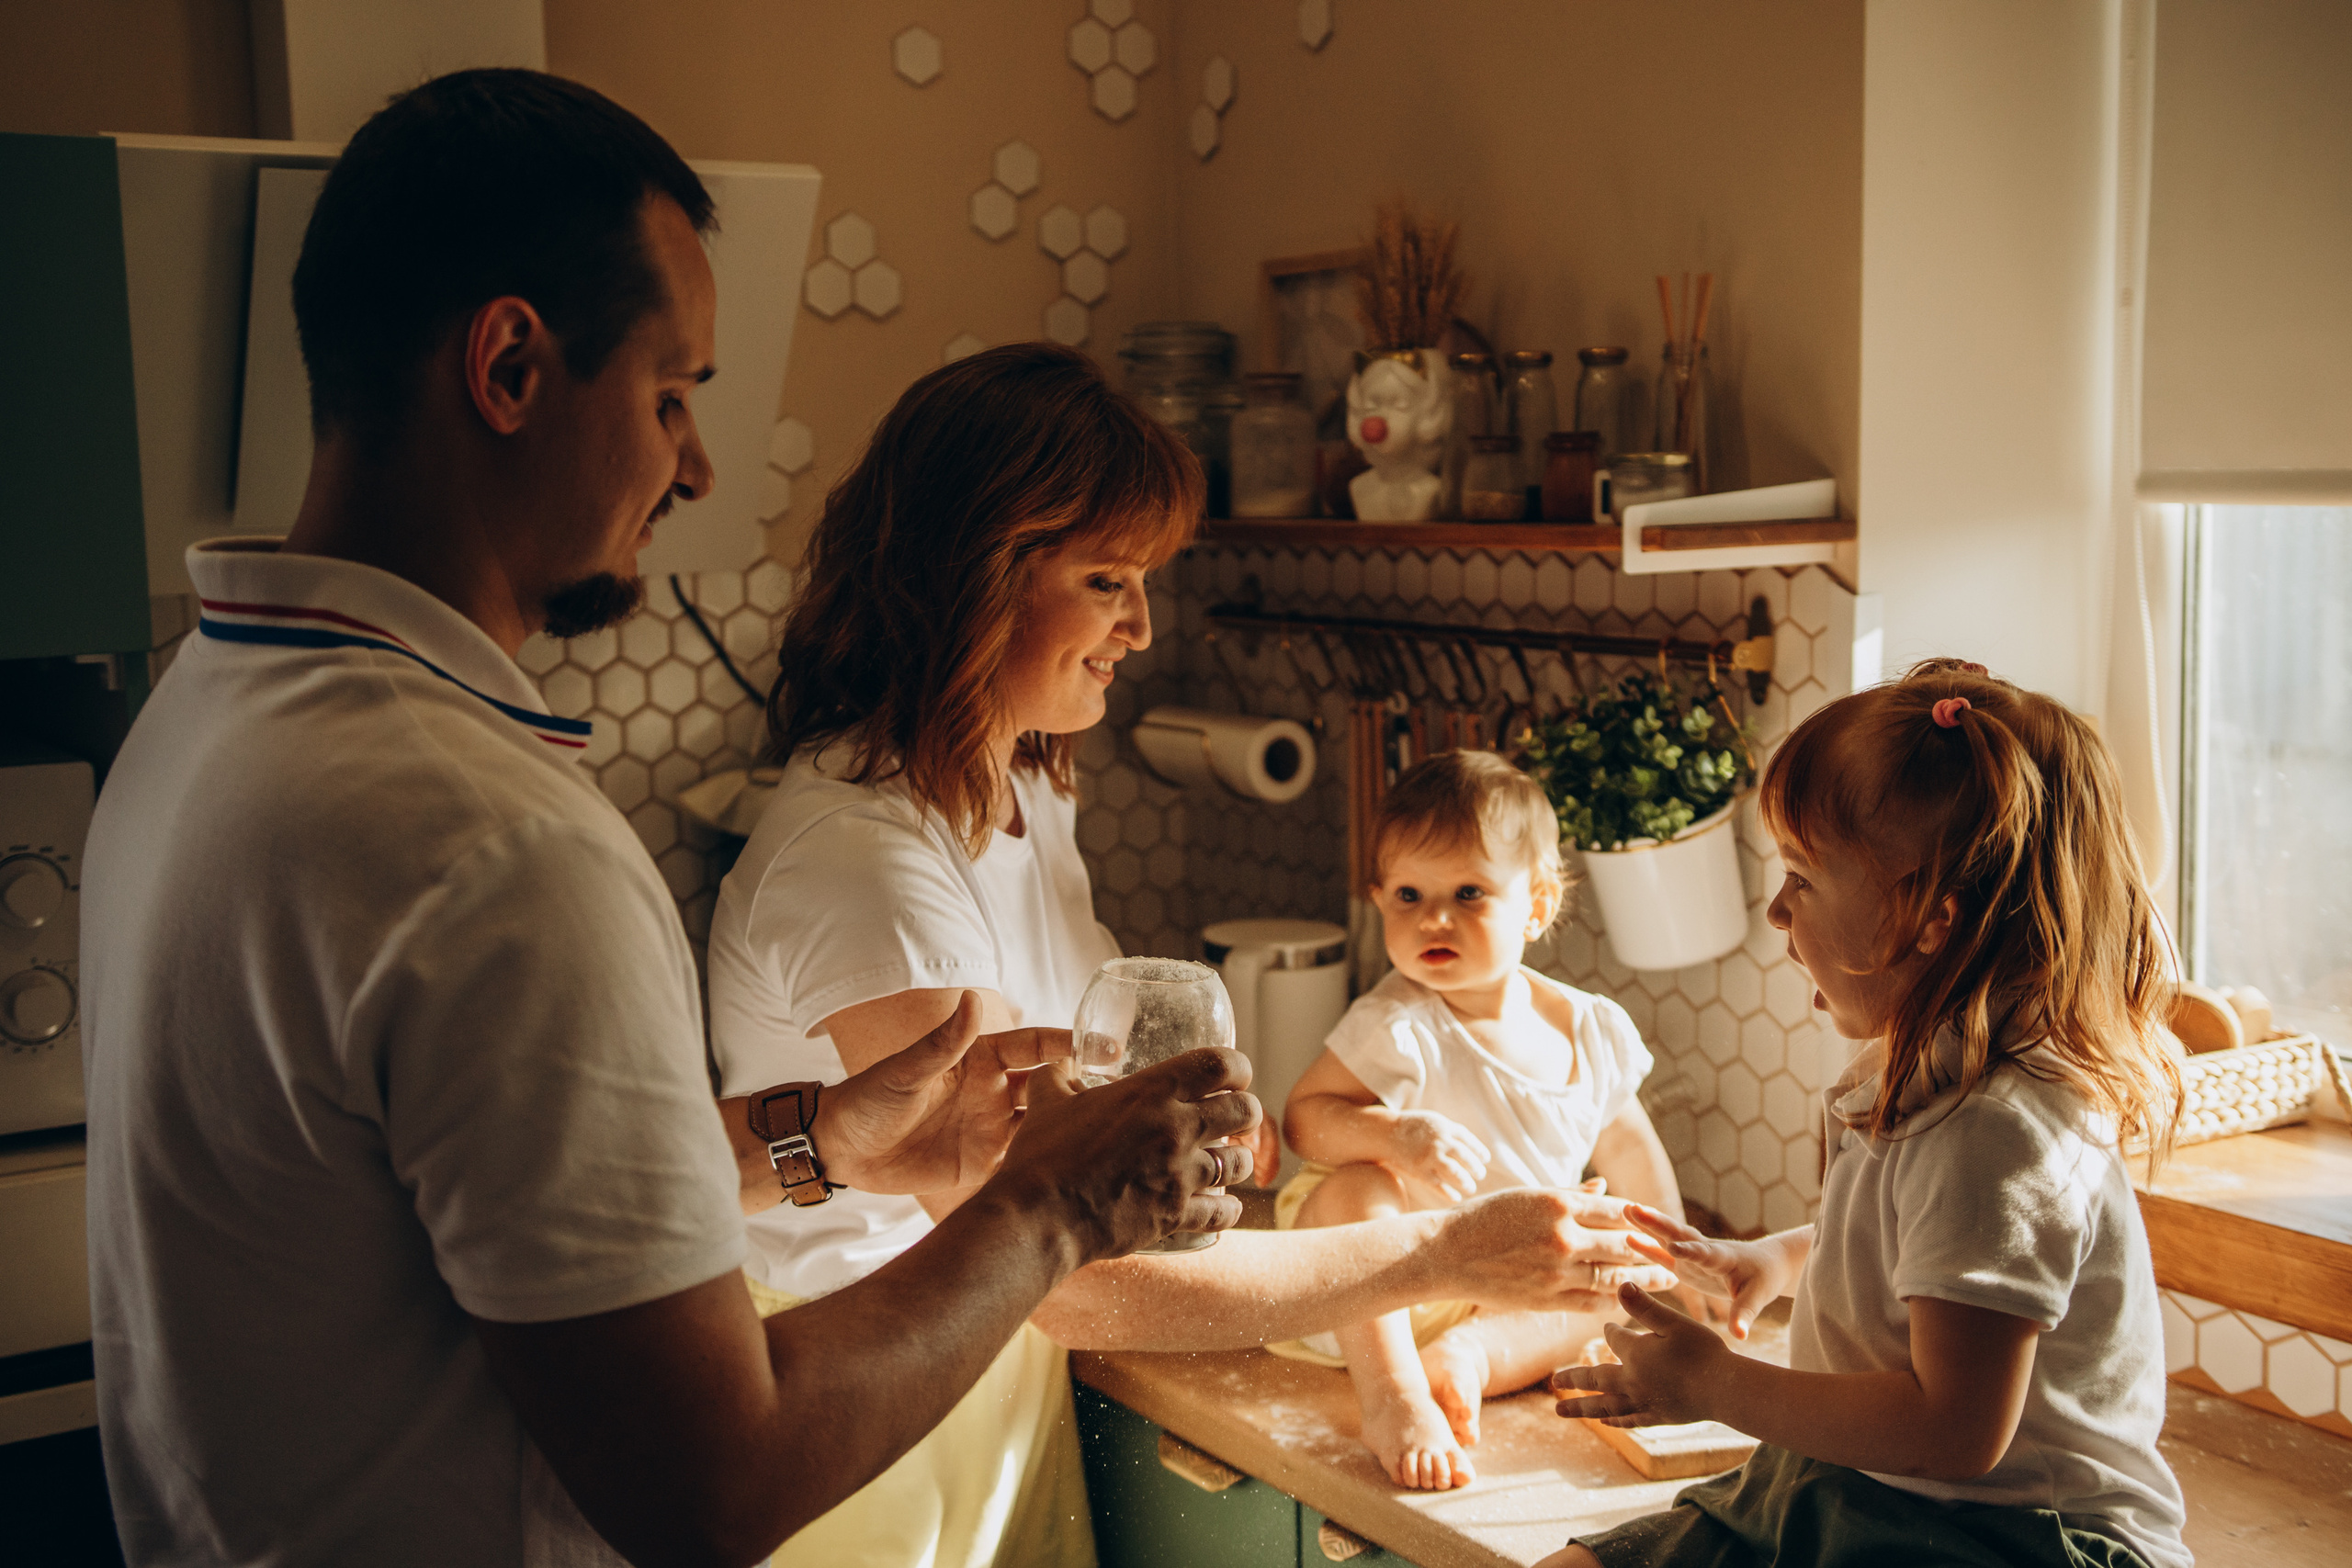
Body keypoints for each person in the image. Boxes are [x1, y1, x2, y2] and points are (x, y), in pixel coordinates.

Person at [80, 70, 1253, 1568]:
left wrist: (815, 1137)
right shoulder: (494, 848)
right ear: (511, 366)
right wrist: (1054, 1203)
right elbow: (712, 1487)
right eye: (671, 396)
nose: (695, 464)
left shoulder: (196, 717)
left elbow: (473, 1193)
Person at [705, 344, 1679, 1568]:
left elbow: (1046, 1162)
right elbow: (1058, 1270)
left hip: (984, 1364)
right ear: (974, 579)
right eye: (1107, 579)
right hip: (869, 1389)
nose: (1142, 625)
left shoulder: (1015, 785)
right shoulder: (868, 865)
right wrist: (1440, 1253)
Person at [1544, 660, 2190, 1568]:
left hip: (2009, 1533)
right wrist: (1778, 1259)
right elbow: (1931, 1252)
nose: (1778, 910)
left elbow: (1955, 1428)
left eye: (1802, 877)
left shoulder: (1998, 1133)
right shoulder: (1938, 1064)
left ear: (1931, 919)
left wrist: (1718, 1384)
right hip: (1856, 1484)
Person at [1275, 750, 1700, 1491]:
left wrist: (1684, 1262)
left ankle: (1466, 1358)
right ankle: (1394, 1393)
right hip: (1372, 1282)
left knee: (1607, 1288)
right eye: (1408, 894)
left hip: (1495, 1286)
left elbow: (1629, 1145)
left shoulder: (1589, 1028)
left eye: (1468, 892)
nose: (1433, 917)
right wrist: (1394, 1135)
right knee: (1358, 1188)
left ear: (1537, 904)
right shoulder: (1398, 1024)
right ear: (1379, 900)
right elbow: (1304, 1119)